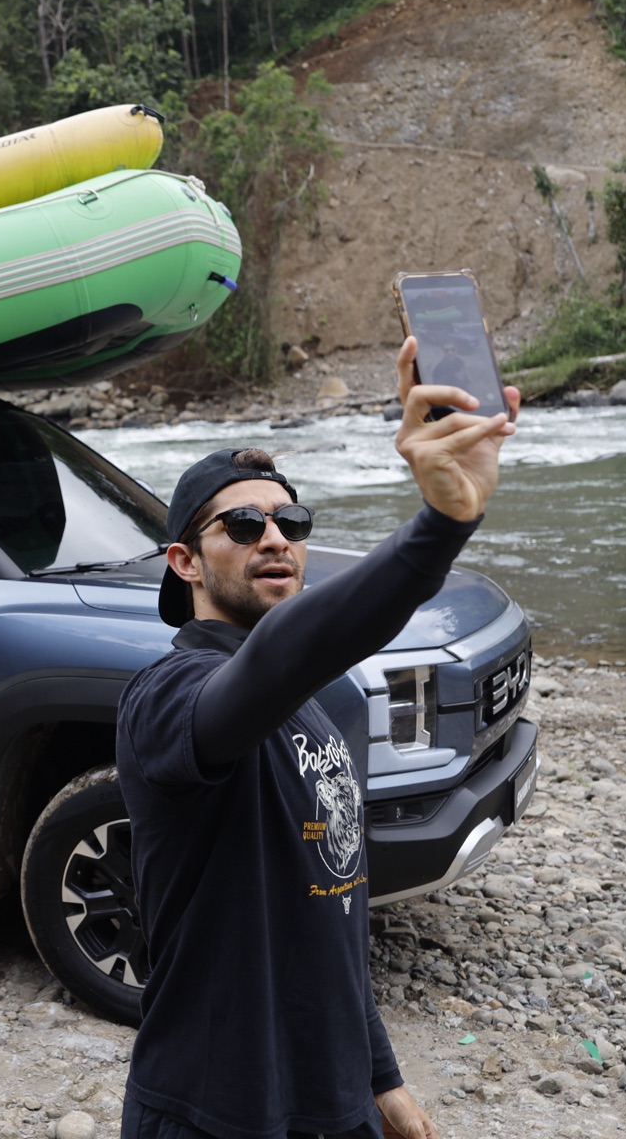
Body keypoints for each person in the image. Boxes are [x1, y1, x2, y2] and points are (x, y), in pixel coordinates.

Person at [115, 336, 520, 1139]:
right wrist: (441, 524)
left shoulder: (312, 706)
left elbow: (333, 914)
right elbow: (278, 656)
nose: (275, 538)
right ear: (185, 562)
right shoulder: (166, 700)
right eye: (242, 524)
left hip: (336, 1104)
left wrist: (382, 1078)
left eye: (291, 520)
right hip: (214, 1111)